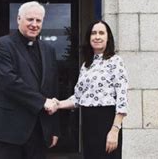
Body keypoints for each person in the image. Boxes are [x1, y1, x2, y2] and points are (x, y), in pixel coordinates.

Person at [0, 1, 60, 159]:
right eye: (30, 19)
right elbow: (8, 81)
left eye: (38, 20)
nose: (34, 24)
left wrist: (53, 128)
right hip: (8, 131)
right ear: (18, 19)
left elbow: (52, 89)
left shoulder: (49, 50)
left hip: (39, 131)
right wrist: (42, 101)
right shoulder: (2, 45)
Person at [52, 20, 128, 159]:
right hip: (88, 123)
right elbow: (78, 97)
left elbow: (122, 99)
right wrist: (58, 104)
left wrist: (114, 130)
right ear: (89, 38)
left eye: (101, 33)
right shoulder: (87, 65)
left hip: (107, 122)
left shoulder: (115, 61)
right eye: (93, 33)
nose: (97, 37)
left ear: (108, 38)